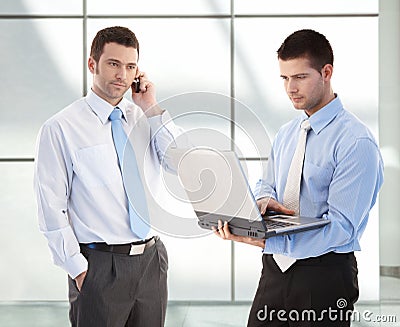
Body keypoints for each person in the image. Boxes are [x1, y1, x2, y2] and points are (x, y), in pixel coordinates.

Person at [214, 29, 384, 326]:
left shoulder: (356, 142)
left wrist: (267, 242)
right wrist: (263, 201)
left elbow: (341, 228)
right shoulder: (288, 133)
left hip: (325, 276)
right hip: (275, 271)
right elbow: (267, 184)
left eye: (300, 77)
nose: (290, 88)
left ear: (326, 72)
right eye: (284, 78)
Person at [34, 26, 184, 326]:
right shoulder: (61, 127)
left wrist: (151, 107)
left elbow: (180, 163)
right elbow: (51, 207)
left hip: (151, 262)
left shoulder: (144, 117)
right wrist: (77, 268)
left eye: (130, 66)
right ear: (92, 65)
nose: (122, 74)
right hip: (99, 266)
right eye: (113, 64)